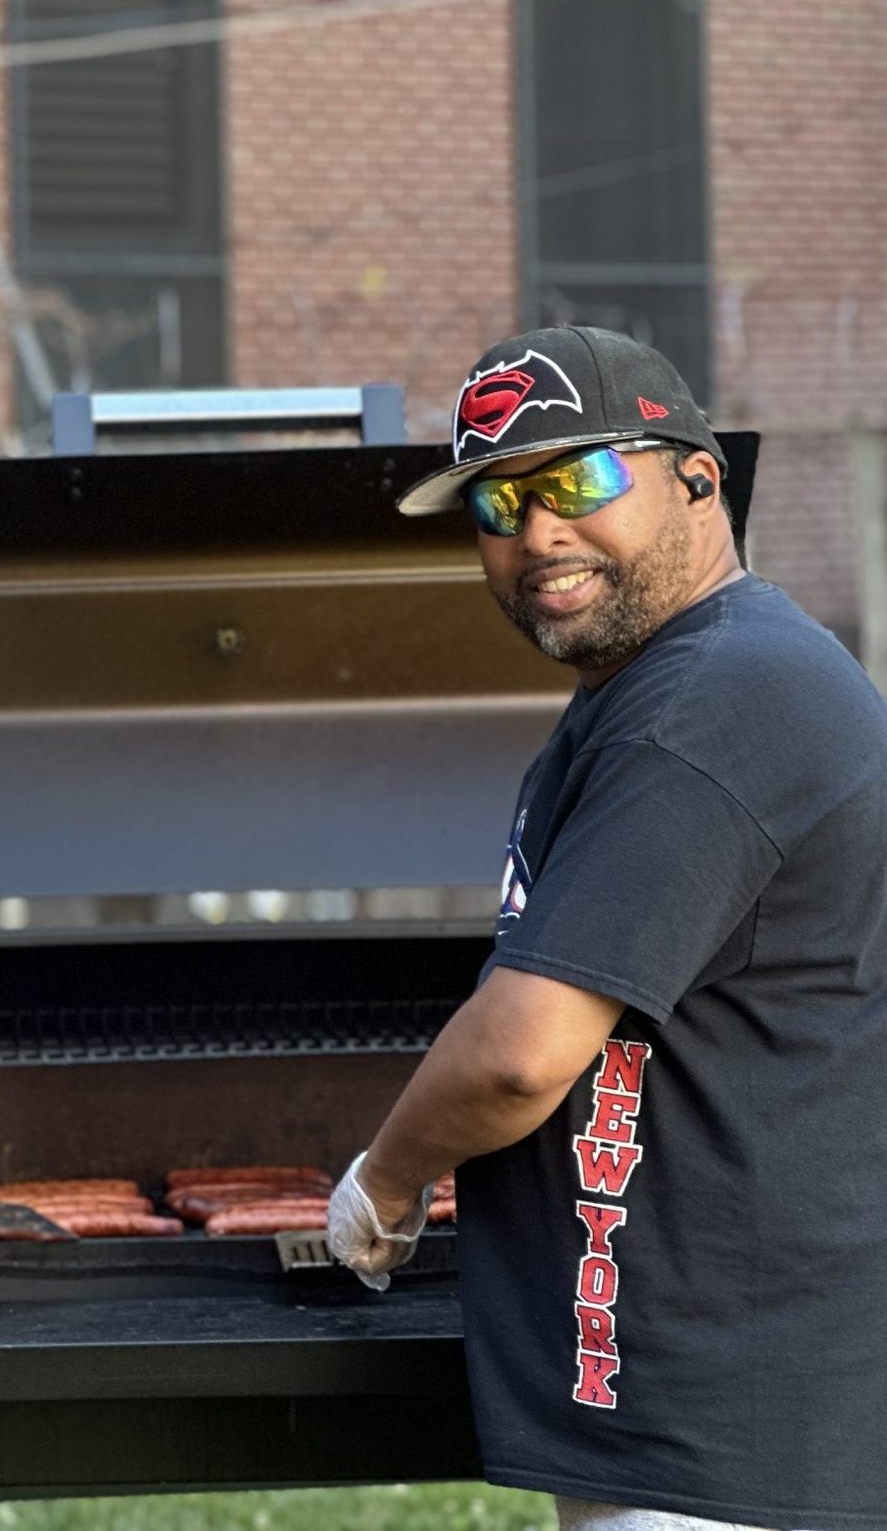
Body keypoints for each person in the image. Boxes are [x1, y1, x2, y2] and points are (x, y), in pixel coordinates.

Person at [327, 326, 887, 1529]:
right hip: (684, 1406)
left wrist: (383, 1184)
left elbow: (520, 1052)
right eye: (498, 499)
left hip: (736, 1435)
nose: (536, 533)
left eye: (577, 479)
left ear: (697, 476)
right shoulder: (676, 687)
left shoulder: (723, 701)